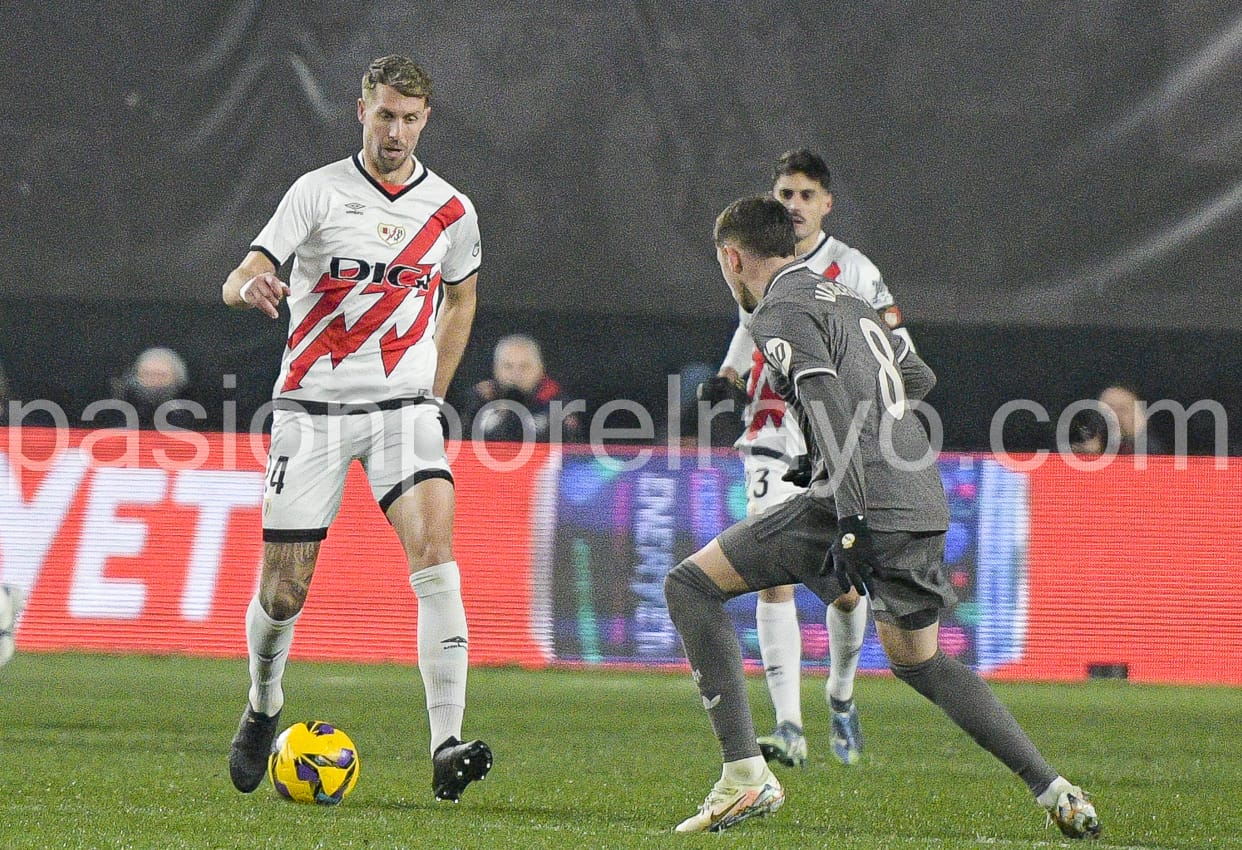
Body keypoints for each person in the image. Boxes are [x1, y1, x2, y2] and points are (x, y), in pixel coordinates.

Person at [665, 195, 1100, 838]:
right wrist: (830, 458)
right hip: (919, 495)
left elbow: (828, 402)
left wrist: (849, 515)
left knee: (690, 586)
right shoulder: (848, 298)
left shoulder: (779, 311)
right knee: (920, 661)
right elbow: (915, 377)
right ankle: (1055, 789)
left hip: (859, 500)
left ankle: (745, 775)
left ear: (732, 258)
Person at [220, 54, 491, 803]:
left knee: (435, 555)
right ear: (361, 111)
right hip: (312, 411)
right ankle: (263, 703)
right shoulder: (318, 192)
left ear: (425, 120)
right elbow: (242, 272)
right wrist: (250, 285)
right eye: (385, 115)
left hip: (403, 412)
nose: (395, 131)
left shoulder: (452, 211)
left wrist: (431, 397)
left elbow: (461, 300)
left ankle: (446, 742)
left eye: (410, 118)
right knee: (284, 593)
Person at [698, 149, 908, 768]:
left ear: (826, 204)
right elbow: (751, 324)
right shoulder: (762, 264)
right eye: (784, 194)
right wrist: (730, 376)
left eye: (805, 195)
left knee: (844, 591)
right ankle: (788, 726)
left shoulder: (854, 270)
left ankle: (841, 693)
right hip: (770, 429)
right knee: (772, 576)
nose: (793, 205)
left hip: (834, 435)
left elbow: (897, 347)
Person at [460, 334, 584, 442]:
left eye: (525, 366)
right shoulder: (481, 398)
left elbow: (571, 446)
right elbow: (461, 440)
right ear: (496, 370)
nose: (516, 374)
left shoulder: (555, 398)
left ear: (540, 369)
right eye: (508, 366)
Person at [92, 346, 197, 430]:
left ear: (176, 378)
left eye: (161, 375)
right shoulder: (118, 408)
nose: (154, 380)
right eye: (146, 374)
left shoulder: (188, 409)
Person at [1098, 384, 1166, 454]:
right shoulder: (1096, 446)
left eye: (1122, 409)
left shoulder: (1151, 454)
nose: (1114, 415)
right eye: (1107, 409)